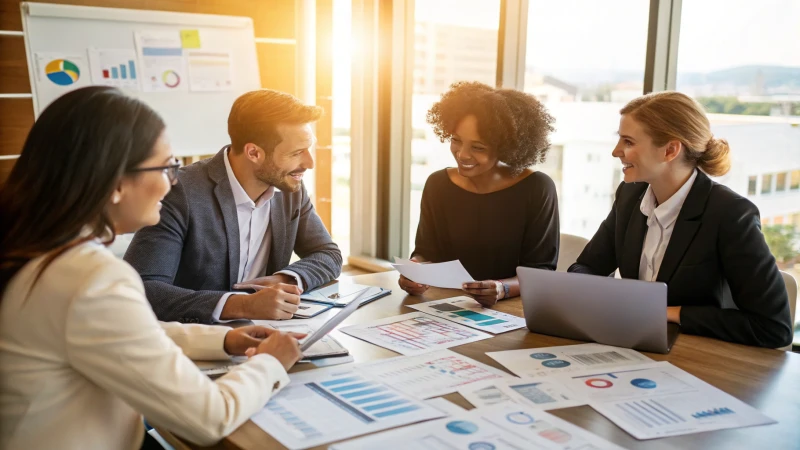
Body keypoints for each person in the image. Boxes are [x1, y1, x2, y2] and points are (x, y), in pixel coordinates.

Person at [0, 87, 306, 449]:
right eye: (166, 167)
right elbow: (209, 418)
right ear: (115, 183)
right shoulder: (92, 278)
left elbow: (121, 330)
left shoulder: (37, 249)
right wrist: (269, 364)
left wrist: (223, 338)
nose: (172, 182)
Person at [568, 91, 792, 348]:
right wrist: (607, 297)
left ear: (670, 150)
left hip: (698, 358)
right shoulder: (630, 195)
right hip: (634, 345)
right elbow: (585, 267)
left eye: (628, 142)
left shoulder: (730, 214)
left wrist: (668, 312)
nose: (616, 151)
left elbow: (773, 328)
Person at [124, 89, 342, 324]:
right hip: (194, 337)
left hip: (267, 331)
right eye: (297, 153)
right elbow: (144, 288)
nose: (309, 163)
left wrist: (287, 279)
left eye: (308, 149)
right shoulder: (179, 192)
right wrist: (243, 305)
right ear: (254, 152)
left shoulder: (290, 189)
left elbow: (328, 254)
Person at [400, 81, 560, 306]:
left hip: (511, 310)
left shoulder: (537, 188)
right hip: (445, 306)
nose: (462, 154)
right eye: (456, 140)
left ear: (506, 148)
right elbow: (426, 252)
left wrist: (502, 288)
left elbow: (541, 272)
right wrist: (414, 272)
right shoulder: (438, 184)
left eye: (478, 147)